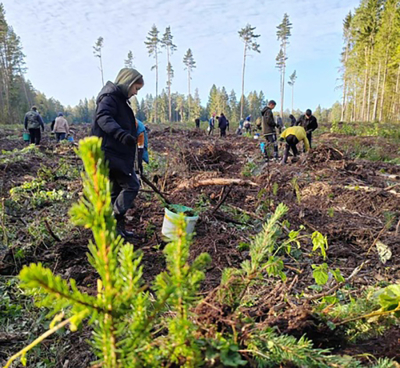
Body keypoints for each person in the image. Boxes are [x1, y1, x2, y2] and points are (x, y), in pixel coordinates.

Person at [92, 68, 144, 239]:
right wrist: (122, 135)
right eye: (135, 89)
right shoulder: (110, 98)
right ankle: (113, 220)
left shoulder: (119, 99)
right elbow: (103, 117)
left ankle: (117, 232)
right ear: (127, 82)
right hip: (110, 153)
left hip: (115, 153)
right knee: (132, 186)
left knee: (115, 190)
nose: (135, 93)